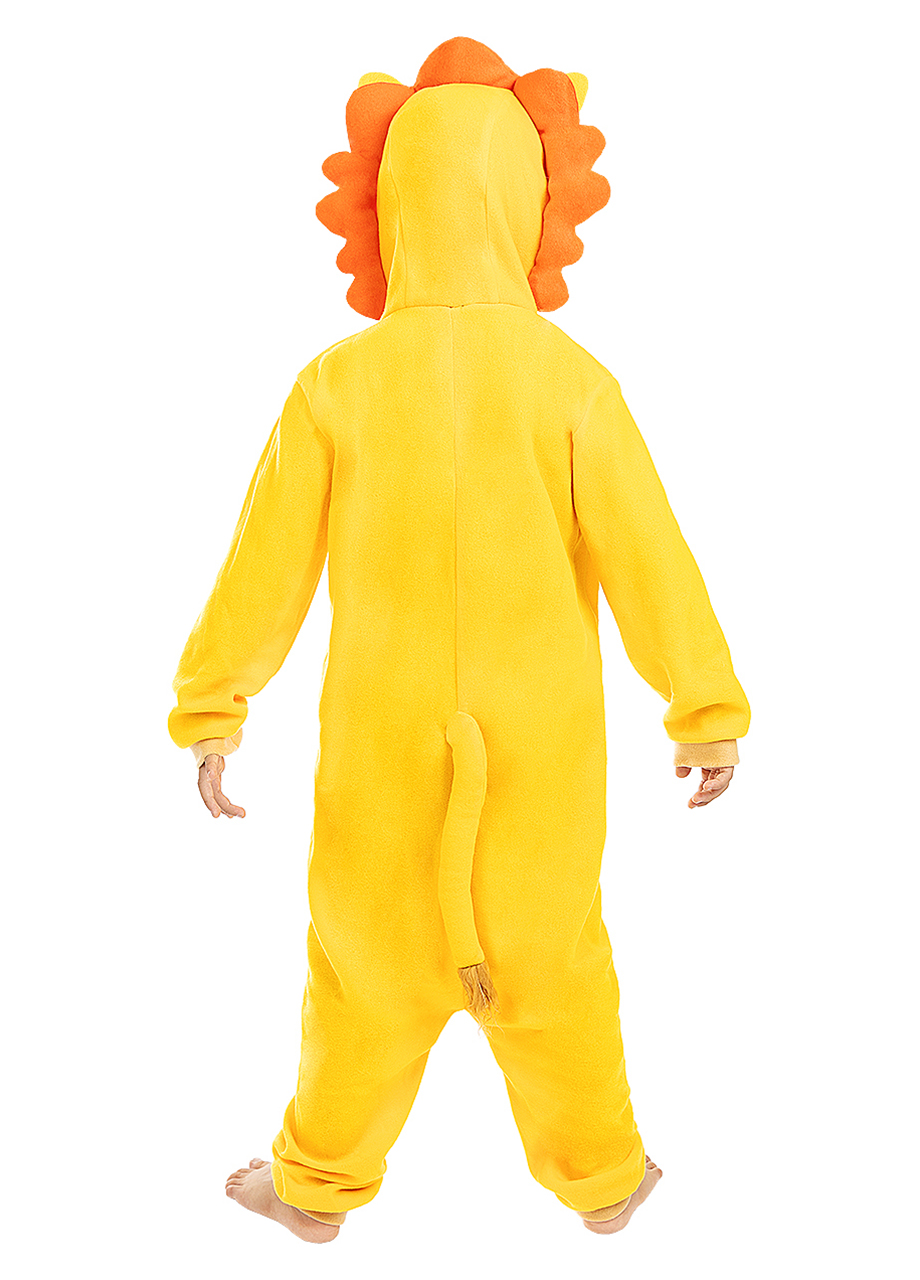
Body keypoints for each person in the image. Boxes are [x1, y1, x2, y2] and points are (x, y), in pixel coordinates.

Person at [169, 36, 750, 1244]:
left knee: (358, 978)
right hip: (537, 769)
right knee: (554, 969)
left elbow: (262, 565)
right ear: (527, 202)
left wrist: (214, 707)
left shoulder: (335, 383)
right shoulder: (571, 382)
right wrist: (703, 709)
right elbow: (650, 555)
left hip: (378, 770)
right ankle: (603, 1179)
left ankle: (315, 1187)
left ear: (392, 206)